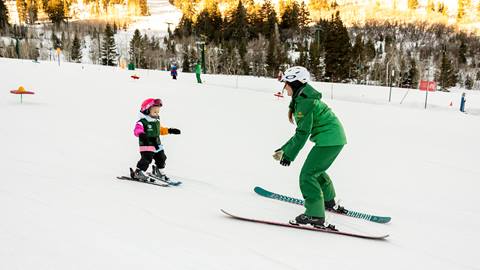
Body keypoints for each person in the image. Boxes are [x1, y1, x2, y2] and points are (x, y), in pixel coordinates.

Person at [273, 66, 347, 230]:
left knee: (308, 175)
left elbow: (302, 133)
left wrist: (288, 155)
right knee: (316, 170)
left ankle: (314, 215)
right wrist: (284, 150)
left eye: (286, 83)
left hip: (330, 140)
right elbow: (301, 133)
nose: (284, 88)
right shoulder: (303, 97)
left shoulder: (305, 102)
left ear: (296, 83)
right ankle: (328, 201)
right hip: (333, 139)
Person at [131, 98, 181, 182]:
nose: (157, 113)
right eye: (154, 112)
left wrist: (170, 130)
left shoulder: (156, 121)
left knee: (162, 157)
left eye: (158, 112)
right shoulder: (142, 122)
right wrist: (142, 134)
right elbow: (137, 130)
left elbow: (160, 130)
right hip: (147, 144)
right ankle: (139, 172)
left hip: (157, 144)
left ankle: (158, 171)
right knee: (147, 158)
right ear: (146, 111)